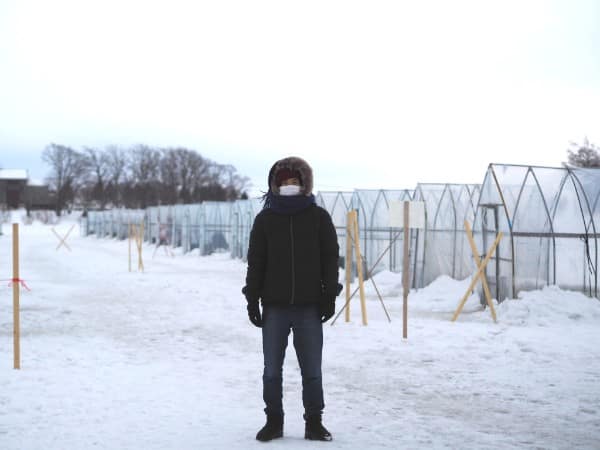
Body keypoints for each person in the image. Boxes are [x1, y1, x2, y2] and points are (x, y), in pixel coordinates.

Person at [242, 156, 341, 442]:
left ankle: (314, 422)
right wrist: (252, 298)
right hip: (275, 307)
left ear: (304, 184)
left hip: (309, 308)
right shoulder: (266, 220)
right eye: (283, 183)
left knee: (312, 369)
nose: (289, 186)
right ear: (275, 185)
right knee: (272, 370)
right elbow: (256, 262)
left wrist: (329, 294)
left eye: (294, 182)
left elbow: (330, 258)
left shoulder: (318, 218)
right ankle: (274, 421)